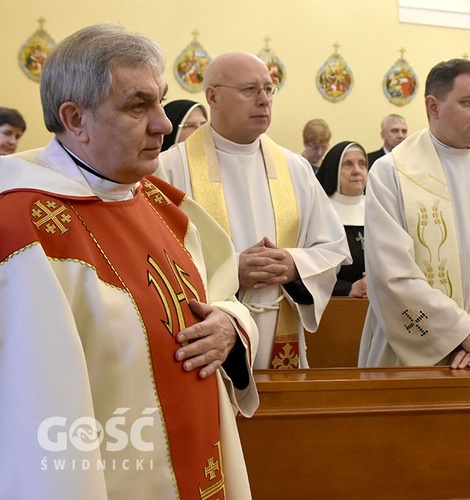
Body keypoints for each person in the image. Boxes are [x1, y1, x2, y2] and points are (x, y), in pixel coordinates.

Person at [0, 24, 258, 498]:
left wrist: (229, 324)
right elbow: (37, 417)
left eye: (160, 100)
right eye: (139, 106)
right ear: (75, 119)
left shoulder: (164, 205)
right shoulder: (20, 228)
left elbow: (221, 294)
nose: (163, 123)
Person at [158, 52, 350, 370]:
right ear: (212, 96)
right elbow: (157, 264)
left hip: (281, 335)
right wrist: (232, 270)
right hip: (204, 345)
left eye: (269, 89)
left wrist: (294, 264)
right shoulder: (170, 170)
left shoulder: (296, 168)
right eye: (249, 90)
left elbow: (333, 248)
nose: (263, 100)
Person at [359, 58, 470, 370]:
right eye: (469, 102)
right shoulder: (393, 172)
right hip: (410, 352)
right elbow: (390, 271)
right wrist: (461, 331)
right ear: (433, 106)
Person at [316, 141, 368, 298]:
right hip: (337, 306)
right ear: (334, 171)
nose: (357, 171)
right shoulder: (321, 213)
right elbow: (309, 271)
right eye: (348, 164)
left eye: (362, 164)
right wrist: (348, 289)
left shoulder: (380, 210)